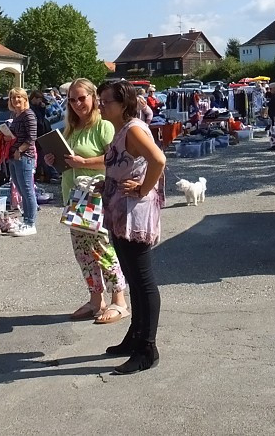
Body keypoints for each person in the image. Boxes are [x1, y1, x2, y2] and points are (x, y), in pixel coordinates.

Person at [98, 79, 167, 374]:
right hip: (119, 210)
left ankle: (147, 348)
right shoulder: (121, 129)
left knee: (142, 281)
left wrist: (142, 188)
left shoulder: (134, 129)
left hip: (133, 213)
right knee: (132, 277)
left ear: (123, 104)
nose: (101, 105)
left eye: (106, 101)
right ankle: (136, 335)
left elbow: (158, 159)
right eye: (100, 100)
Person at [52, 78, 129, 325]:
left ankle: (120, 301)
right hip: (75, 199)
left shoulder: (103, 125)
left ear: (93, 97)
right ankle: (96, 300)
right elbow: (70, 162)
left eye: (81, 98)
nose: (76, 103)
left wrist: (84, 163)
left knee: (104, 250)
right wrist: (57, 161)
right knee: (84, 253)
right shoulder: (72, 128)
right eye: (72, 99)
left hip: (96, 198)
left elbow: (115, 158)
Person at [6, 87, 39, 236]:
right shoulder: (16, 114)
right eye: (13, 98)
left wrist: (20, 150)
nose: (16, 100)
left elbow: (32, 137)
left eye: (19, 97)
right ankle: (25, 220)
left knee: (27, 191)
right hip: (13, 157)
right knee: (20, 190)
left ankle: (30, 222)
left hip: (25, 157)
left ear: (25, 98)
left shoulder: (28, 114)